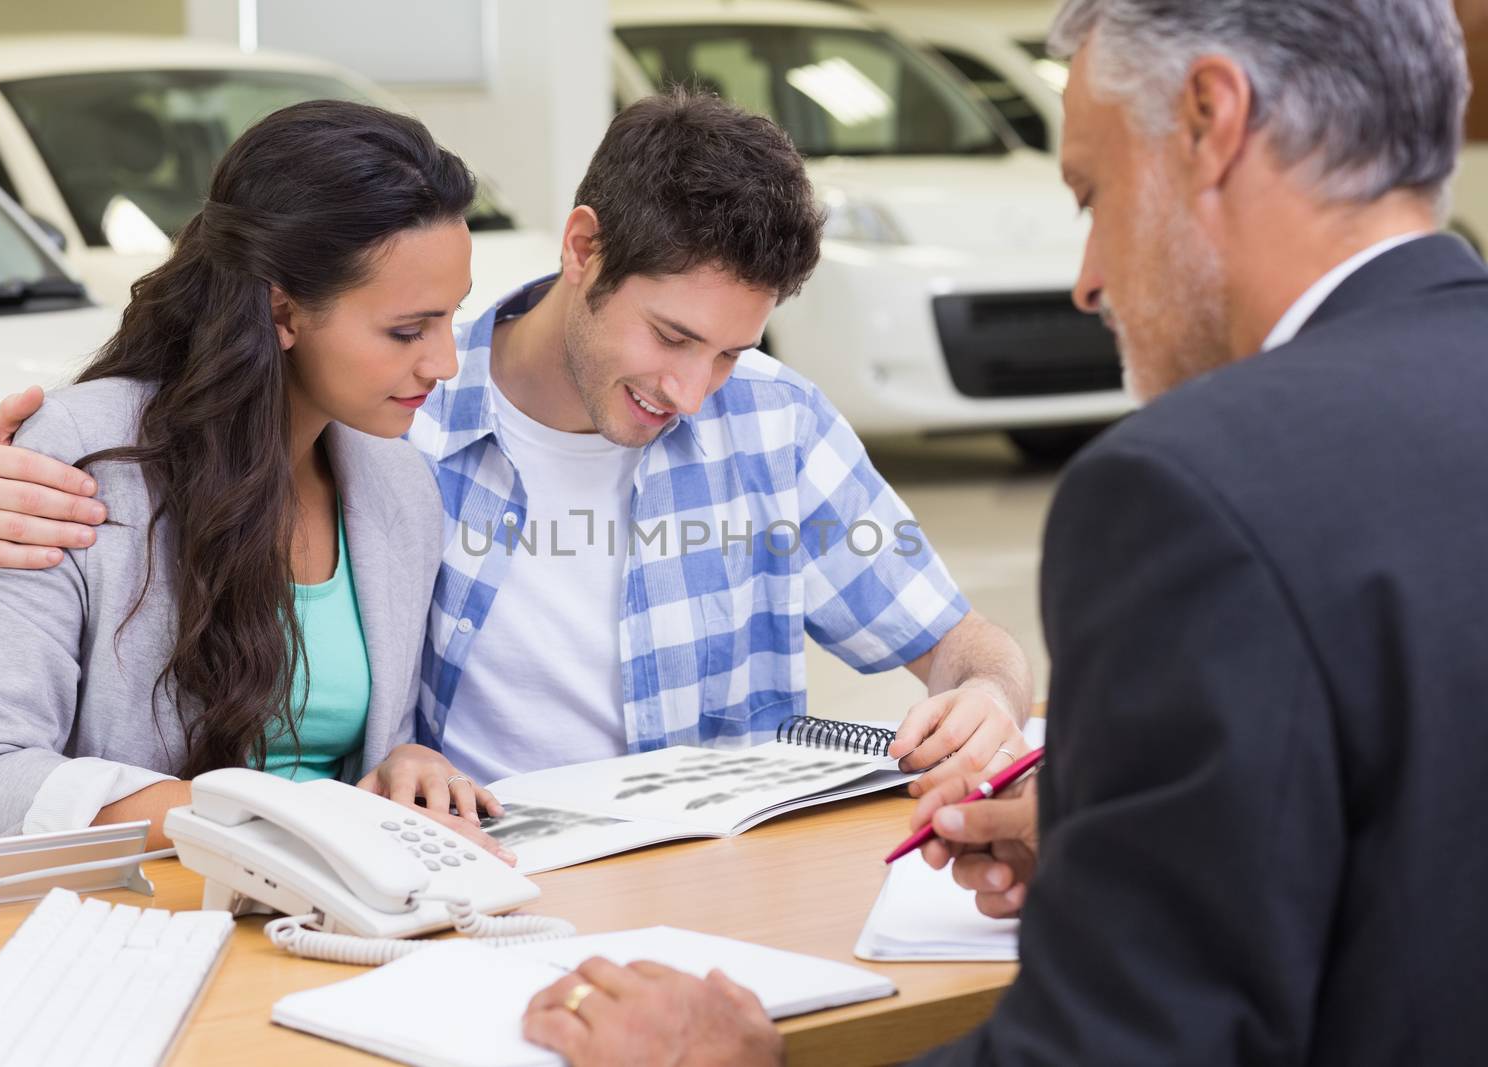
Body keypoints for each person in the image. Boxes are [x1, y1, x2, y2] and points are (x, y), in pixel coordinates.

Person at [516, 0, 1488, 1063]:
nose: (1086, 278)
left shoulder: (1193, 489)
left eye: (1092, 193)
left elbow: (1120, 1046)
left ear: (1210, 117)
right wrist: (1103, 828)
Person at [0, 91, 1035, 800]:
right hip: (431, 895)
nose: (694, 392)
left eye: (731, 353)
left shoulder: (770, 424)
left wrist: (990, 692)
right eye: (672, 336)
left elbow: (961, 644)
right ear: (583, 248)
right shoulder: (409, 419)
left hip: (675, 881)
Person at [0, 100, 508, 857]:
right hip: (148, 922)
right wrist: (280, 823)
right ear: (282, 310)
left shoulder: (397, 483)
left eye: (449, 320)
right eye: (406, 330)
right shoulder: (81, 457)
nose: (442, 363)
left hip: (337, 912)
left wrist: (403, 765)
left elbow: (354, 761)